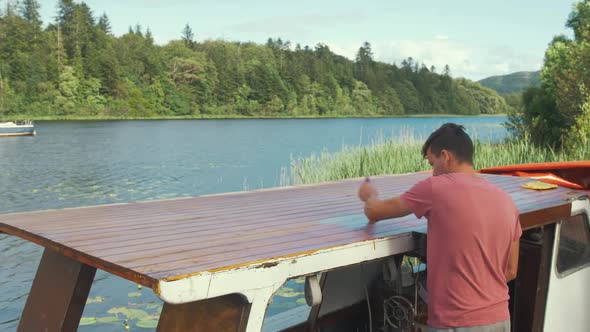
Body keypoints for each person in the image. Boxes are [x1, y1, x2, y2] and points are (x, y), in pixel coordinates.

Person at [358, 123, 521, 331]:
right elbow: (511, 270)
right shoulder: (507, 202)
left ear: (445, 156)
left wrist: (368, 195)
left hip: (456, 322)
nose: (432, 172)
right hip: (499, 320)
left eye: (432, 163)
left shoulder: (436, 188)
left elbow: (375, 212)